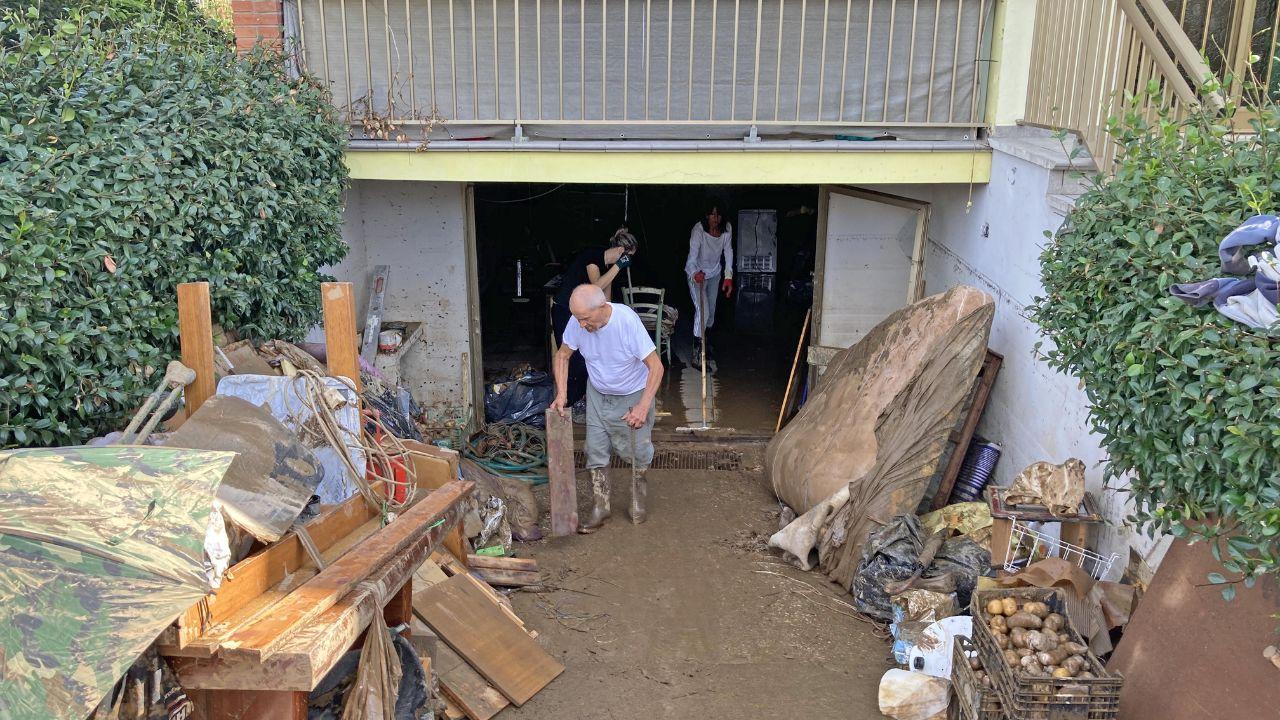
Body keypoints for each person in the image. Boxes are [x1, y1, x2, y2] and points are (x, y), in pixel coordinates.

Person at [550, 284, 664, 531]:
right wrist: (562, 394)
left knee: (637, 452)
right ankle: (601, 508)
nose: (581, 325)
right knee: (594, 449)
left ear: (602, 307)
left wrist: (643, 407)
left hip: (632, 394)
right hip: (598, 394)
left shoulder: (626, 322)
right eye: (578, 319)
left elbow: (656, 367)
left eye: (585, 319)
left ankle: (638, 501)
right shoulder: (577, 321)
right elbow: (562, 355)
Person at [551, 228, 639, 406]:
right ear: (622, 252)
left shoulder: (608, 268)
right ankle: (568, 401)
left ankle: (581, 400)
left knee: (586, 357)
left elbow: (604, 301)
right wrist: (618, 266)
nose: (629, 262)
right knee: (572, 358)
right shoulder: (593, 257)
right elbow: (596, 289)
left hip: (582, 314)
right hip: (565, 310)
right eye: (629, 257)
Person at [684, 202, 734, 366]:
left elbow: (728, 252)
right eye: (712, 214)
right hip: (697, 274)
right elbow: (691, 258)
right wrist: (694, 273)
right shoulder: (698, 230)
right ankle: (697, 353)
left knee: (711, 313)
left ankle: (707, 346)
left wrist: (728, 276)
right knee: (702, 310)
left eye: (718, 215)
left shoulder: (726, 229)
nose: (715, 218)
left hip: (714, 273)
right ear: (706, 215)